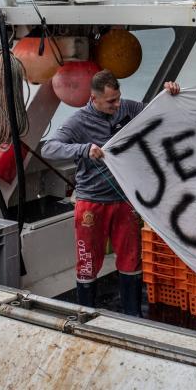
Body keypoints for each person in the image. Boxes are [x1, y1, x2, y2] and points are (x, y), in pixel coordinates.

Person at [41, 71, 180, 316]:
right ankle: (85, 314)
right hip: (91, 203)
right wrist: (84, 149)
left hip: (124, 200)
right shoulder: (78, 122)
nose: (117, 105)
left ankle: (133, 316)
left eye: (118, 98)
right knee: (88, 263)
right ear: (93, 98)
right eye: (110, 102)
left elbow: (156, 111)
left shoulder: (126, 108)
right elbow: (50, 148)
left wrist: (169, 93)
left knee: (131, 259)